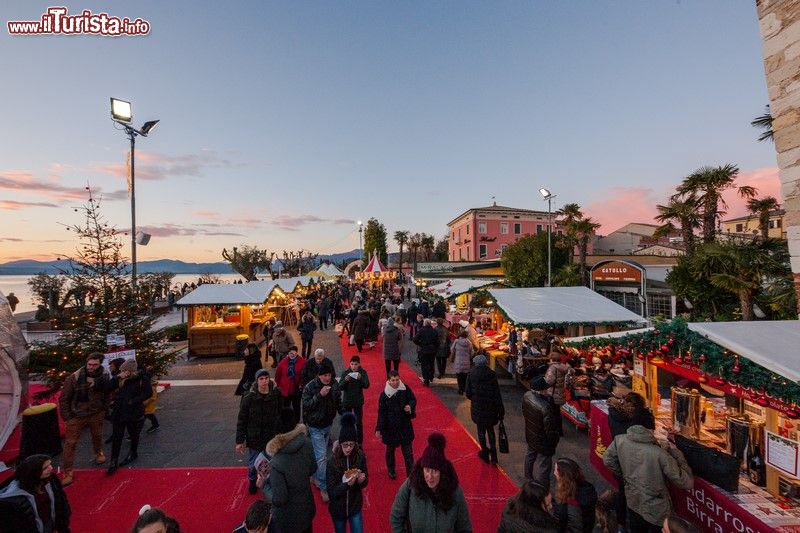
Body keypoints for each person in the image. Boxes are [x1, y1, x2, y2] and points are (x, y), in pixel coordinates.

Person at [603, 423, 694, 532]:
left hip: (633, 499)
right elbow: (687, 483)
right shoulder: (660, 454)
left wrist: (624, 475)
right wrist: (676, 452)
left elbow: (608, 459)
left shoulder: (619, 440)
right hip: (656, 507)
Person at [389, 433, 472, 533]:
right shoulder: (411, 485)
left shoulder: (455, 492)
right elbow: (396, 517)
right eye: (427, 470)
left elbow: (464, 528)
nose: (430, 476)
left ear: (442, 472)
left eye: (435, 471)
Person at [59, 352, 110, 486]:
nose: (91, 367)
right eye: (89, 364)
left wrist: (103, 409)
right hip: (76, 416)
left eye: (95, 365)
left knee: (97, 435)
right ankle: (68, 471)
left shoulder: (104, 376)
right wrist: (68, 417)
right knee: (70, 443)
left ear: (100, 364)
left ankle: (98, 453)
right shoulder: (74, 378)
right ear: (86, 363)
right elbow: (64, 398)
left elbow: (106, 393)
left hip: (96, 413)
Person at [607, 390, 655, 529]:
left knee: (623, 491)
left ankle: (621, 523)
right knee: (637, 495)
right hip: (636, 462)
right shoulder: (639, 418)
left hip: (619, 458)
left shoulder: (614, 414)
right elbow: (650, 432)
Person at [266, 408, 317, 533]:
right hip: (306, 508)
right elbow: (313, 469)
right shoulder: (306, 443)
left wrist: (264, 487)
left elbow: (279, 498)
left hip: (287, 519)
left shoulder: (276, 462)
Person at [236, 368, 283, 494]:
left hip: (270, 436)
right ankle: (252, 480)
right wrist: (240, 440)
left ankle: (267, 483)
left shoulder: (275, 393)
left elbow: (281, 413)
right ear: (257, 381)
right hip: (254, 437)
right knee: (253, 464)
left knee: (269, 463)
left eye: (266, 378)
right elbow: (242, 420)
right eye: (261, 379)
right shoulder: (249, 397)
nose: (264, 381)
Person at [0, 454, 71, 533]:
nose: (51, 468)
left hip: (48, 524)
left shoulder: (52, 480)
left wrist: (63, 526)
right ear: (33, 472)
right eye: (45, 468)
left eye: (50, 464)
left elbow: (61, 503)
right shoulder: (11, 500)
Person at [302, 359, 341, 502]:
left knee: (319, 454)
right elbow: (306, 405)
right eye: (324, 375)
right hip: (315, 426)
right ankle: (324, 488)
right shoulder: (310, 387)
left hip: (327, 424)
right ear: (319, 376)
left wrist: (344, 414)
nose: (327, 378)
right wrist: (320, 395)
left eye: (329, 375)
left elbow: (338, 401)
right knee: (322, 457)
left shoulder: (334, 385)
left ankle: (314, 476)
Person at [107, 359, 152, 475]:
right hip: (119, 412)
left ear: (131, 370)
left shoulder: (142, 378)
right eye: (122, 370)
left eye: (124, 370)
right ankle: (114, 460)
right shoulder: (120, 379)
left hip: (133, 412)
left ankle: (133, 452)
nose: (123, 372)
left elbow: (148, 393)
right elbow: (107, 387)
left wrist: (133, 401)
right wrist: (117, 377)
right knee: (117, 436)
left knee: (133, 434)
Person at [326, 413, 368, 533]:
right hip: (338, 510)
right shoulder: (332, 462)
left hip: (355, 507)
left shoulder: (360, 456)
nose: (348, 448)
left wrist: (362, 480)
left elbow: (366, 479)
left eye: (351, 444)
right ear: (340, 444)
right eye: (345, 445)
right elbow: (331, 492)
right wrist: (346, 485)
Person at [464, 353, 504, 464]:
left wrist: (475, 399)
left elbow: (468, 393)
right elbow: (497, 393)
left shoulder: (471, 374)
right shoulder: (492, 374)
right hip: (491, 408)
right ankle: (494, 455)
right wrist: (501, 410)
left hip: (478, 408)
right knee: (491, 431)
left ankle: (485, 452)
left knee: (481, 431)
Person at [376, 370, 416, 480]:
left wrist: (410, 406)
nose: (395, 382)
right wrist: (379, 428)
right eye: (393, 380)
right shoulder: (384, 395)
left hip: (404, 426)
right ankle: (391, 468)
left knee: (408, 452)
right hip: (390, 428)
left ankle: (411, 474)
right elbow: (381, 412)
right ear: (388, 381)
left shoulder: (405, 388)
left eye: (397, 380)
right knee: (390, 450)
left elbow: (413, 399)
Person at [522, 377, 561, 487]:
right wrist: (553, 442)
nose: (547, 391)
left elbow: (524, 412)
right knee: (544, 466)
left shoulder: (527, 396)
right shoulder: (545, 406)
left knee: (530, 456)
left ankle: (528, 478)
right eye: (545, 389)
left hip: (531, 434)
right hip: (543, 440)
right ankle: (542, 490)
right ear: (542, 390)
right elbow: (551, 430)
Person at [551, 458, 597, 533]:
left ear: (564, 476)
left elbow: (574, 527)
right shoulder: (587, 487)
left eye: (556, 470)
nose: (554, 473)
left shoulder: (572, 501)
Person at [339, 355, 370, 445]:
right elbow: (340, 387)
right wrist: (345, 380)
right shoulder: (345, 373)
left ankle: (360, 444)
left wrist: (360, 379)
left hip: (358, 402)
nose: (353, 366)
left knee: (359, 424)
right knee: (347, 424)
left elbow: (367, 385)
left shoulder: (362, 372)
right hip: (347, 402)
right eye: (352, 364)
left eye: (355, 364)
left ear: (359, 364)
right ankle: (347, 442)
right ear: (350, 364)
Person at [274, 346, 306, 424]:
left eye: (294, 353)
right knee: (285, 407)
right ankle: (286, 422)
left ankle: (296, 422)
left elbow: (304, 375)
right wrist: (277, 386)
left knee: (296, 407)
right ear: (288, 353)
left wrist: (301, 384)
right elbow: (278, 375)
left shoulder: (302, 362)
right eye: (290, 353)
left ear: (296, 353)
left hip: (296, 389)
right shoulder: (283, 362)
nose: (292, 355)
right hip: (285, 390)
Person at [413, 318, 439, 387]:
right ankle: (431, 376)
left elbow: (415, 339)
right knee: (431, 363)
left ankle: (426, 379)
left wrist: (420, 344)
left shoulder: (421, 330)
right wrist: (435, 347)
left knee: (424, 365)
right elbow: (437, 341)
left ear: (424, 323)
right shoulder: (434, 331)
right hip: (432, 350)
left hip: (424, 350)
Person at [449, 330, 473, 395]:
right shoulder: (469, 342)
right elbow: (472, 352)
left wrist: (455, 353)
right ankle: (464, 388)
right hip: (466, 362)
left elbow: (452, 349)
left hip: (458, 361)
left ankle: (460, 389)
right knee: (465, 376)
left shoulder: (456, 341)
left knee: (459, 377)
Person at [142, 365, 160, 434]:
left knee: (147, 415)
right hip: (146, 405)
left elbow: (152, 397)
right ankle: (155, 425)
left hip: (148, 405)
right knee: (149, 415)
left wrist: (144, 403)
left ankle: (155, 425)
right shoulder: (149, 385)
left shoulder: (151, 387)